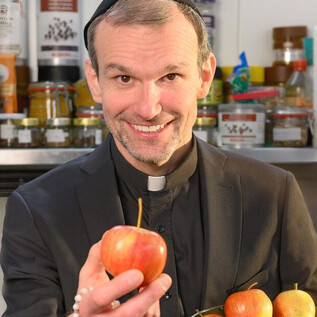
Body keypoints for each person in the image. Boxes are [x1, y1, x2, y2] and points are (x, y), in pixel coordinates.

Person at [1, 0, 317, 316]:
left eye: (170, 76)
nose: (148, 109)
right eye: (124, 78)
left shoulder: (275, 194)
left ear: (204, 77)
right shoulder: (36, 211)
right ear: (95, 81)